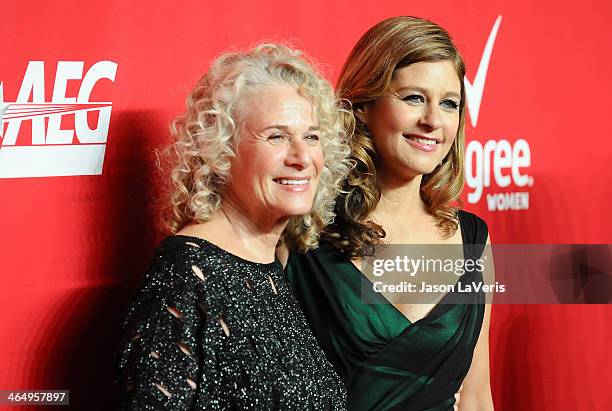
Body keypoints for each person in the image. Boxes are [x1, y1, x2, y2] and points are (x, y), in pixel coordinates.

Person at [115, 44, 352, 410]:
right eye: (276, 136)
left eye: (312, 136)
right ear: (221, 152)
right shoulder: (186, 274)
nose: (302, 157)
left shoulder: (277, 262)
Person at [284, 17, 495, 410]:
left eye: (449, 103)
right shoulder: (303, 228)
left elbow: (477, 398)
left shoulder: (473, 240)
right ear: (363, 106)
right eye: (414, 98)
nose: (433, 120)